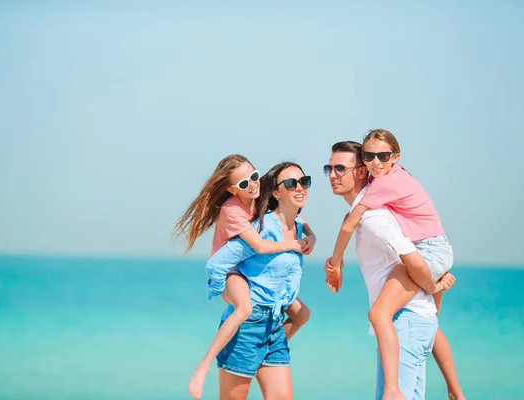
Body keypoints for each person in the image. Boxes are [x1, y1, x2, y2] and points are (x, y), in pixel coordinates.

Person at [324, 140, 465, 400]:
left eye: (340, 168)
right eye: (329, 168)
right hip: (414, 324)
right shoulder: (367, 213)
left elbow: (413, 259)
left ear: (361, 171)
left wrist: (434, 285)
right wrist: (336, 263)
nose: (332, 175)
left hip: (405, 325)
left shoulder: (373, 218)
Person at [173, 155, 314, 399]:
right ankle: (203, 366)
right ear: (277, 193)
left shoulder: (290, 221)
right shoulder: (255, 224)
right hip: (242, 309)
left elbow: (300, 221)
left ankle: (263, 352)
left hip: (273, 322)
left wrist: (310, 239)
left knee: (302, 314)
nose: (299, 186)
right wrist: (221, 290)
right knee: (243, 308)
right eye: (291, 183)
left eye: (304, 181)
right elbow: (222, 261)